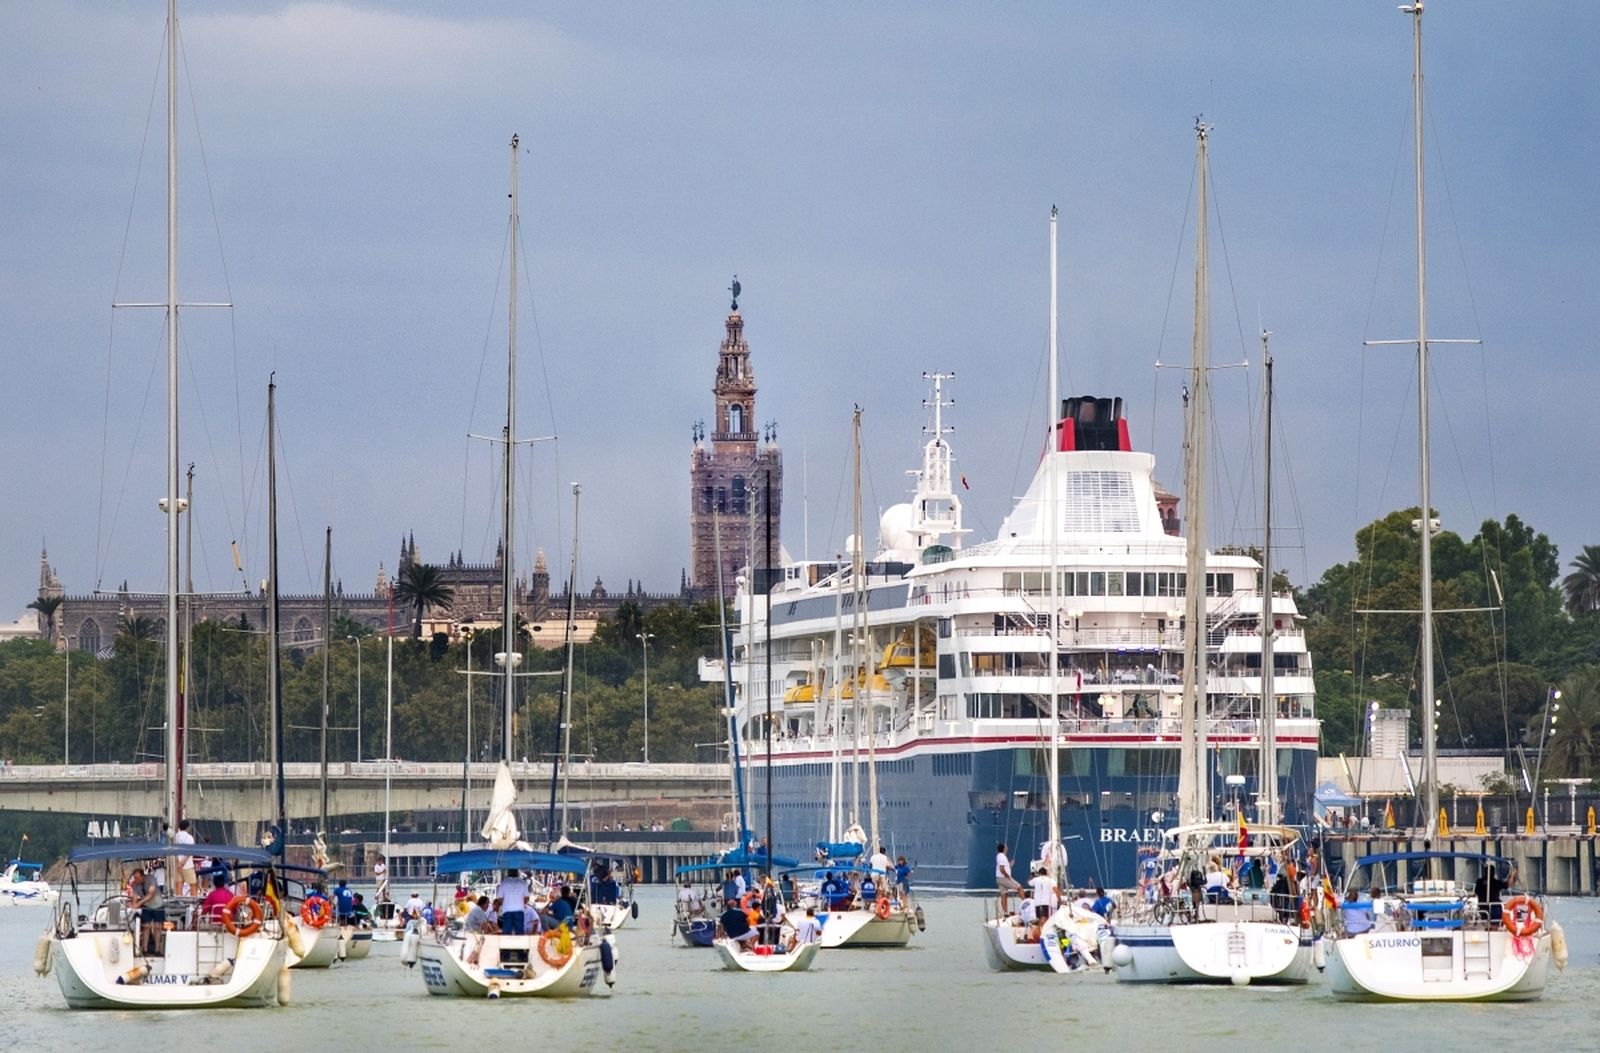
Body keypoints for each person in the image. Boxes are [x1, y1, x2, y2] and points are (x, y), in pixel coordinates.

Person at [128, 864, 165, 955]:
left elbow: (150, 894)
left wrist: (139, 903)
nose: (136, 880)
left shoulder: (151, 879)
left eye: (138, 878)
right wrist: (133, 904)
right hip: (146, 906)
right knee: (146, 927)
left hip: (158, 905)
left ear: (142, 876)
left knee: (157, 927)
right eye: (135, 878)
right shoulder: (135, 885)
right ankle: (144, 949)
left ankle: (157, 950)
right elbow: (135, 896)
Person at [496, 868, 531, 935]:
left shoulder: (504, 883)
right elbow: (527, 898)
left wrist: (506, 902)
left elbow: (499, 898)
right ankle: (520, 945)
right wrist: (520, 903)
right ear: (517, 873)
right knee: (519, 932)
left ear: (508, 873)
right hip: (519, 910)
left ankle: (506, 945)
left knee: (506, 933)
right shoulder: (522, 882)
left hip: (507, 910)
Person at [173, 818, 198, 896]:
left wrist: (179, 863)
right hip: (187, 864)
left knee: (179, 883)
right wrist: (183, 862)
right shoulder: (189, 837)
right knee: (193, 884)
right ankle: (193, 900)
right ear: (188, 827)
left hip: (177, 863)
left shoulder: (175, 837)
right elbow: (189, 851)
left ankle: (179, 899)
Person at [995, 842, 1022, 912]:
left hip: (999, 878)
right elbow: (1002, 869)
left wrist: (1010, 865)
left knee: (1004, 895)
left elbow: (1004, 867)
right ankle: (1026, 904)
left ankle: (1005, 912)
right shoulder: (1002, 857)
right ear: (1004, 848)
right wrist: (1008, 876)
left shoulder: (999, 856)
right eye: (1006, 846)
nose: (1007, 847)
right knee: (1019, 888)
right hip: (1004, 878)